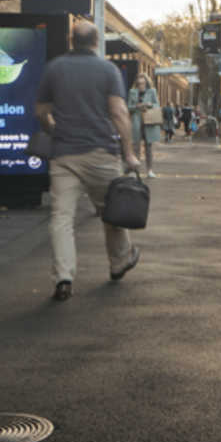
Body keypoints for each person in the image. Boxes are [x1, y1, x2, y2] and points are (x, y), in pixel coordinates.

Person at [34, 23, 142, 302]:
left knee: (61, 218)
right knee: (112, 211)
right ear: (97, 42)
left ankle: (64, 278)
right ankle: (119, 263)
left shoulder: (54, 68)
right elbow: (118, 112)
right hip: (101, 153)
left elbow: (41, 112)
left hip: (64, 155)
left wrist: (53, 130)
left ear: (71, 40)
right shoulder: (108, 70)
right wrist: (128, 152)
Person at [127, 74, 161, 177]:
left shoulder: (152, 91)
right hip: (136, 122)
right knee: (135, 146)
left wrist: (150, 105)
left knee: (148, 147)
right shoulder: (132, 92)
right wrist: (136, 106)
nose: (141, 85)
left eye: (143, 83)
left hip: (149, 122)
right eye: (139, 83)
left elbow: (157, 105)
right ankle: (135, 170)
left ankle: (149, 170)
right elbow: (128, 107)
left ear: (146, 83)